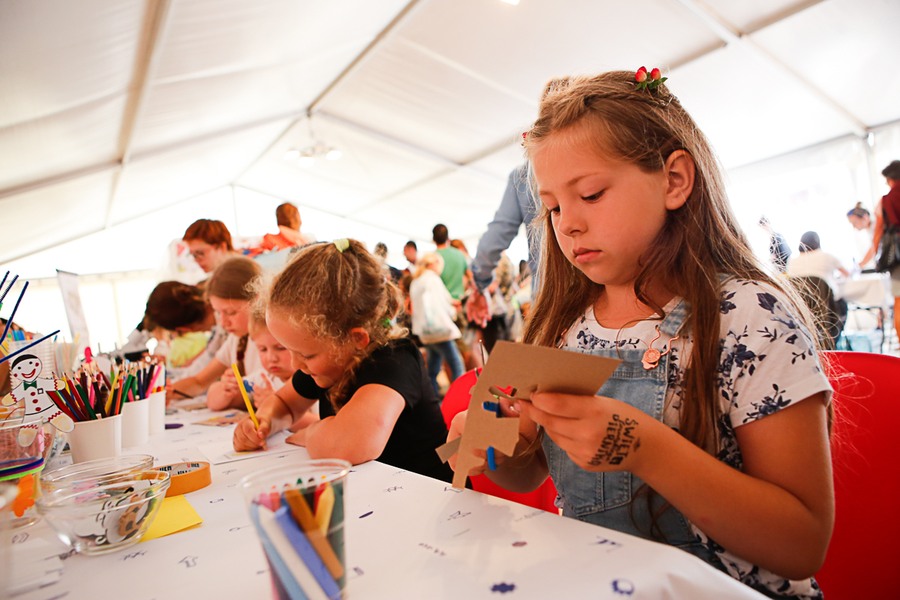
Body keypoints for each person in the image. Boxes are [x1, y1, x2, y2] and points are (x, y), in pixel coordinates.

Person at [448, 70, 833, 599]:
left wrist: (644, 448)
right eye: (554, 207)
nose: (567, 225)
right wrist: (500, 442)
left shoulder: (750, 317)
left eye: (591, 194)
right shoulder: (561, 325)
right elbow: (528, 476)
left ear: (674, 180)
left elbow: (801, 542)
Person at [232, 239, 453, 482]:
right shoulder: (325, 362)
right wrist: (265, 421)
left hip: (427, 496)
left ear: (356, 338)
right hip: (370, 493)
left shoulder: (395, 360)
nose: (296, 365)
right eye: (290, 350)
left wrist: (310, 433)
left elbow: (350, 444)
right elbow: (284, 403)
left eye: (305, 354)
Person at [168, 257, 263, 406]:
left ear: (258, 301)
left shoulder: (274, 342)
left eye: (231, 313)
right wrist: (168, 392)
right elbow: (199, 381)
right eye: (218, 313)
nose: (223, 323)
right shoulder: (236, 339)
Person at [467, 163, 541, 328]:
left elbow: (492, 242)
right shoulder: (593, 152)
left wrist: (480, 286)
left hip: (547, 294)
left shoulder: (523, 174)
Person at [207, 302, 293, 411]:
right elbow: (212, 402)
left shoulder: (312, 381)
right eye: (263, 349)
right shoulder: (264, 378)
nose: (271, 358)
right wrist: (225, 389)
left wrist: (279, 408)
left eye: (280, 348)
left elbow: (316, 421)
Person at [143, 281, 228, 379]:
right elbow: (198, 368)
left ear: (183, 329)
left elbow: (199, 376)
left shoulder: (224, 331)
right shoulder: (218, 334)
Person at [408, 252, 465, 397]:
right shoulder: (432, 279)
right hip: (440, 330)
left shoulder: (416, 281)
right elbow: (439, 305)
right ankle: (460, 399)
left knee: (432, 369)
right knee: (457, 365)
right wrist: (452, 310)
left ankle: (433, 400)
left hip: (425, 332)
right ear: (433, 264)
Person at [866, 159, 900, 343]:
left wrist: (875, 255)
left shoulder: (886, 201)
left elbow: (878, 231)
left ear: (891, 179)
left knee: (899, 302)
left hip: (897, 257)